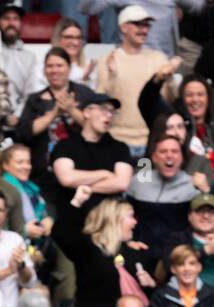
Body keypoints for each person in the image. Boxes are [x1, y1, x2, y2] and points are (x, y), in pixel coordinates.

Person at [55, 193, 156, 307]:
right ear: (114, 219)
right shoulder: (88, 247)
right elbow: (60, 233)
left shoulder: (135, 252)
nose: (135, 222)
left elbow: (144, 296)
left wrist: (151, 285)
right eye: (131, 216)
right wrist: (77, 201)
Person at [95, 6, 172, 154]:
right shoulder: (107, 60)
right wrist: (112, 75)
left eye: (146, 25)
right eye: (138, 24)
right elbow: (101, 103)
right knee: (121, 178)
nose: (144, 30)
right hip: (117, 142)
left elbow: (168, 101)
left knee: (144, 178)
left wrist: (169, 80)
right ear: (123, 28)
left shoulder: (159, 59)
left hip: (149, 142)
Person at [17, 47, 96, 193]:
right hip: (44, 174)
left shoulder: (85, 94)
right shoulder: (35, 99)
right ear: (44, 70)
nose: (54, 70)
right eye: (50, 66)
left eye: (59, 65)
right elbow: (25, 133)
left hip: (80, 171)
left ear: (69, 68)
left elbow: (96, 128)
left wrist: (71, 110)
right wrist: (54, 113)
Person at [49, 91, 133, 212]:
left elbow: (121, 183)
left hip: (108, 221)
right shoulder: (65, 145)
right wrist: (104, 174)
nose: (109, 115)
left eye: (112, 112)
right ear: (87, 112)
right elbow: (67, 178)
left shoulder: (120, 148)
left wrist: (84, 186)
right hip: (72, 218)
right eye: (104, 109)